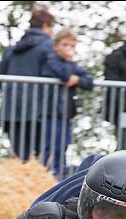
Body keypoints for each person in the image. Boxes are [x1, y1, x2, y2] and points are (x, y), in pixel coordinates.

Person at [0, 7, 56, 161]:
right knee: (41, 160)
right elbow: (55, 73)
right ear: (46, 26)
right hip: (39, 113)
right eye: (52, 27)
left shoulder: (13, 49)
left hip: (11, 112)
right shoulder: (49, 46)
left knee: (21, 159)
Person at [39, 29, 93, 179]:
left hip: (66, 113)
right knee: (51, 146)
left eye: (72, 46)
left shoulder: (72, 65)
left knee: (63, 146)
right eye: (65, 45)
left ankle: (59, 175)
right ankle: (46, 174)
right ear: (56, 46)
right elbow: (63, 74)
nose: (69, 49)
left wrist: (77, 80)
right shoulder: (51, 60)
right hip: (52, 112)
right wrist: (72, 73)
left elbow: (89, 80)